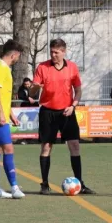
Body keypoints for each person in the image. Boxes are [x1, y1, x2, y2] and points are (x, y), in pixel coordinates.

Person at [30, 38, 95, 195]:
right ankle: (44, 184)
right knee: (46, 147)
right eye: (51, 52)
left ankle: (80, 183)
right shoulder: (42, 67)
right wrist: (35, 88)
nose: (53, 55)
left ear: (64, 52)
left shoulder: (72, 67)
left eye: (56, 52)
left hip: (67, 111)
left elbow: (78, 90)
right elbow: (32, 94)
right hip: (47, 112)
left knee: (74, 145)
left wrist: (73, 106)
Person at [0, 39, 25, 199]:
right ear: (14, 55)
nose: (18, 59)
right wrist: (2, 113)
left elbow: (2, 94)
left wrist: (10, 114)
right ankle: (14, 187)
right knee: (9, 149)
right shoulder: (2, 68)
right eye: (18, 56)